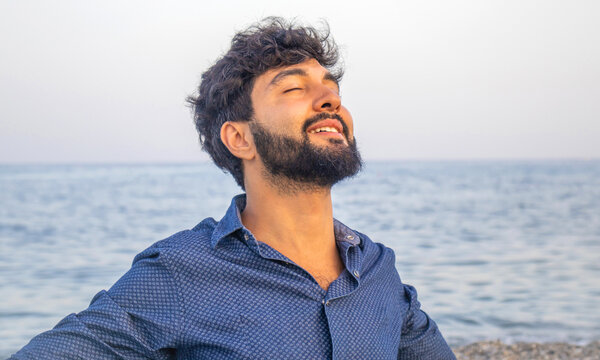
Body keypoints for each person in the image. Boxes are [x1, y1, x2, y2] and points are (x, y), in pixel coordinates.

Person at [11, 18, 456, 359]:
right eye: (295, 88)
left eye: (332, 88)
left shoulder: (378, 272)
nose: (331, 100)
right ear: (239, 138)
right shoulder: (180, 274)